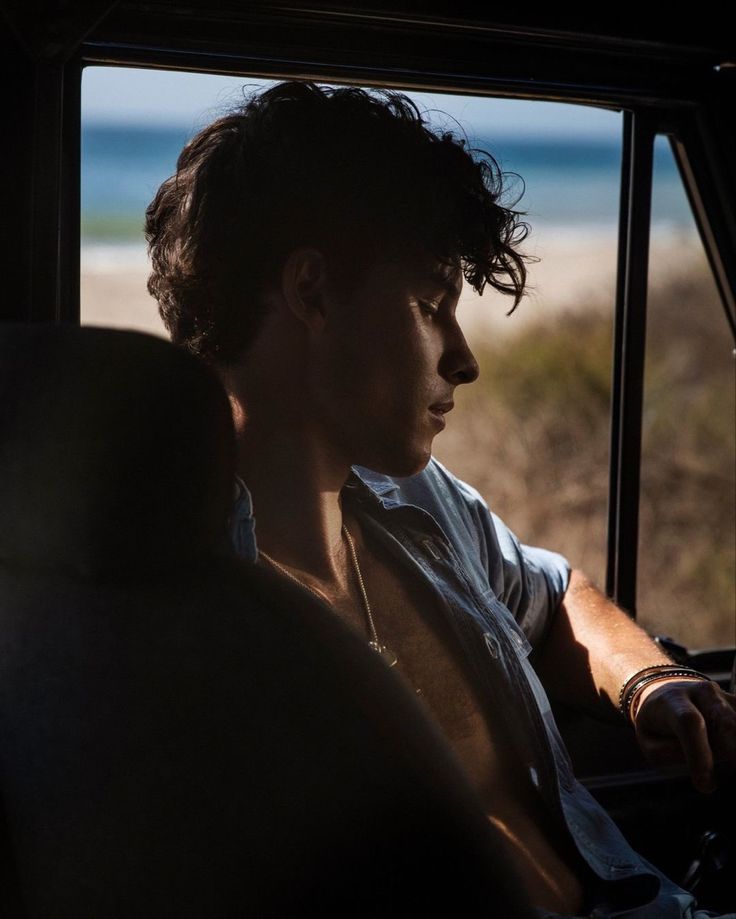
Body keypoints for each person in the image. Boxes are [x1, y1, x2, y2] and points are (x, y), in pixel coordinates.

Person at [145, 80, 736, 917]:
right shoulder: (180, 611)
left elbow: (556, 593)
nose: (463, 359)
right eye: (431, 307)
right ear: (311, 291)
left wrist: (649, 679)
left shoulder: (417, 497)